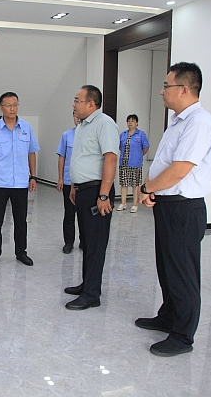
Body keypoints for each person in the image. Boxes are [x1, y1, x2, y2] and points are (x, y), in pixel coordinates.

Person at [136, 62, 211, 357]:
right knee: (167, 266)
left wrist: (147, 188)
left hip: (184, 208)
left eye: (166, 86)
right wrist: (150, 188)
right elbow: (164, 162)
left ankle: (183, 336)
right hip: (168, 205)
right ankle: (168, 317)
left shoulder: (199, 123)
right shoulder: (178, 121)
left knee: (183, 272)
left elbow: (180, 169)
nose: (162, 91)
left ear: (183, 89)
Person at [65, 85, 119, 310]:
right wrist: (74, 186)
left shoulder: (105, 123)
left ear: (91, 103)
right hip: (83, 190)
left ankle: (92, 294)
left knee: (96, 244)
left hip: (98, 191)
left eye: (77, 100)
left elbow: (110, 158)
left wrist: (104, 194)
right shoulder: (82, 126)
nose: (74, 104)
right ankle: (87, 284)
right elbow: (80, 157)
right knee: (87, 241)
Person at [0, 92, 40, 267]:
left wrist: (33, 176)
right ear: (1, 108)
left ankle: (21, 252)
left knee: (21, 221)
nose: (12, 108)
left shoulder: (26, 128)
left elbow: (31, 153)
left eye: (15, 105)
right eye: (8, 105)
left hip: (20, 183)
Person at [56, 112, 82, 254]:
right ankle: (69, 242)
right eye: (75, 117)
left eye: (80, 116)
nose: (78, 119)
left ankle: (84, 241)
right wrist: (60, 178)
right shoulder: (66, 135)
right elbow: (62, 157)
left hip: (85, 181)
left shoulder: (90, 135)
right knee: (69, 213)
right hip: (68, 180)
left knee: (84, 214)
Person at [115, 114, 149, 213]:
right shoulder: (123, 134)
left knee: (135, 185)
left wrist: (138, 156)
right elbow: (120, 147)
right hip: (124, 163)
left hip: (135, 164)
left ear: (137, 123)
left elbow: (146, 147)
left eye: (132, 121)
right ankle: (123, 203)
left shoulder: (141, 134)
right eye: (129, 121)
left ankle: (134, 204)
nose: (130, 123)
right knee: (124, 184)